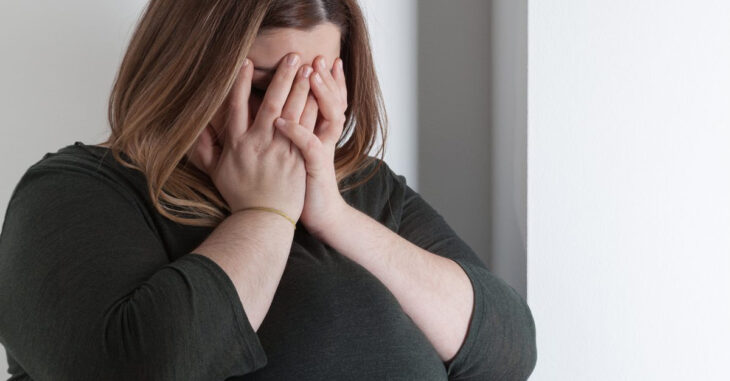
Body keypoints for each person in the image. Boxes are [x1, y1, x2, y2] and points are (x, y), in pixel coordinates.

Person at [0, 1, 536, 380]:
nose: (289, 119)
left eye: (313, 86)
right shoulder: (78, 191)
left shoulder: (367, 190)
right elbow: (142, 367)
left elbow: (507, 350)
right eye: (264, 88)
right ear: (186, 73)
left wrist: (333, 215)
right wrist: (263, 213)